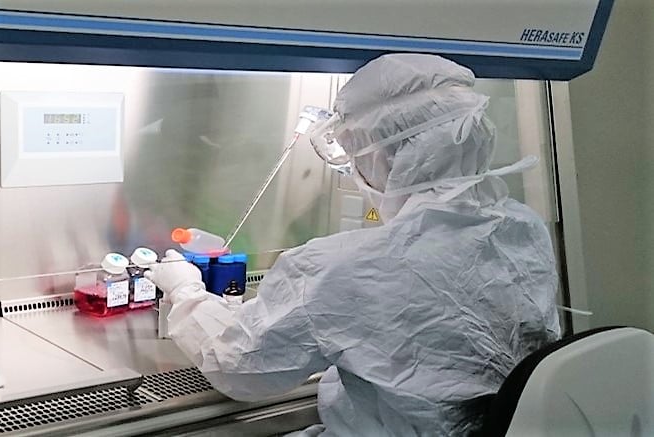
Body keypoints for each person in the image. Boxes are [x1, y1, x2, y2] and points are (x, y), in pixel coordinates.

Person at [146, 54, 560, 436]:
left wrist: (186, 292)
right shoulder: (521, 228)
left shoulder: (348, 266)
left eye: (356, 156)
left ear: (386, 156)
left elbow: (240, 366)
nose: (354, 171)